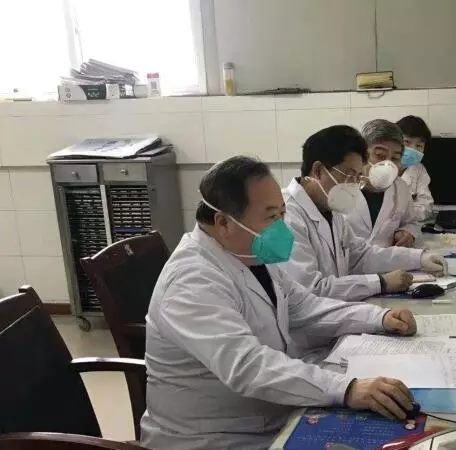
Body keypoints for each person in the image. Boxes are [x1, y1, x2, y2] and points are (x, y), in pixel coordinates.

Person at [141, 156, 420, 450]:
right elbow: (247, 366)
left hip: (268, 416)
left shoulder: (249, 256)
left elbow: (305, 306)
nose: (282, 228)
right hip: (215, 438)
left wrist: (378, 318)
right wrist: (347, 389)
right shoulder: (191, 281)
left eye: (282, 214)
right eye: (271, 217)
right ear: (223, 222)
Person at [281, 125, 447, 303]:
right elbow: (309, 290)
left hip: (338, 309)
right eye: (349, 175)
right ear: (318, 170)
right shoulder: (285, 215)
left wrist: (419, 258)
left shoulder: (331, 210)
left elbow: (361, 255)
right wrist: (381, 282)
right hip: (311, 317)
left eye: (357, 177)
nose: (353, 186)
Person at [346, 119, 421, 248]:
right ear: (362, 155)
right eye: (380, 155)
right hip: (347, 260)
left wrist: (407, 232)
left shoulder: (400, 187)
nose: (388, 164)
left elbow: (411, 222)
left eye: (395, 158)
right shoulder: (341, 186)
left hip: (389, 258)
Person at [397, 115, 434, 221]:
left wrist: (398, 212)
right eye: (407, 142)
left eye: (419, 146)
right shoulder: (381, 166)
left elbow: (426, 208)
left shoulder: (419, 170)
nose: (413, 149)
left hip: (407, 226)